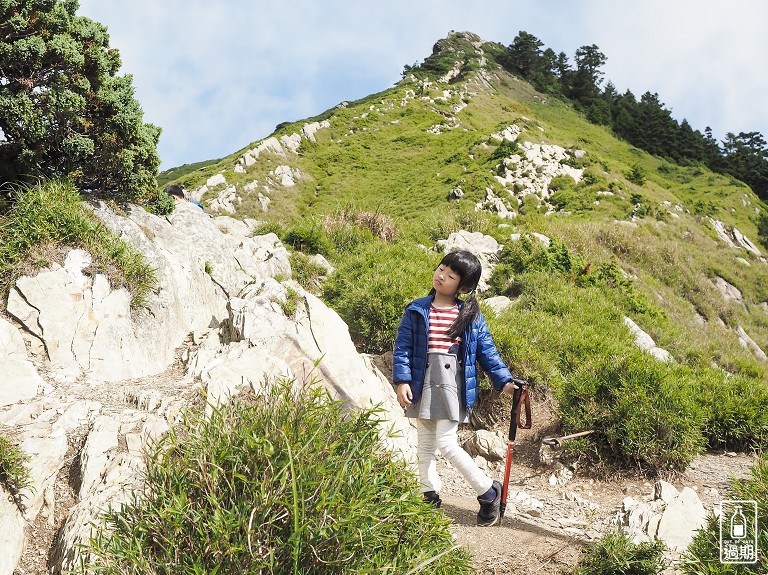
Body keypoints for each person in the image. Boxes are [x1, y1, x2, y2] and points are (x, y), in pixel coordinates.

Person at [392, 249, 518, 526]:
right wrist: (402, 381)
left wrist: (505, 382)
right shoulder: (417, 309)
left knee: (446, 444)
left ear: (463, 287)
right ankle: (428, 494)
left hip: (451, 385)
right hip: (420, 382)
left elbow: (487, 352)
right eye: (440, 269)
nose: (441, 276)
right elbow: (402, 348)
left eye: (450, 276)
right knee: (424, 444)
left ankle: (488, 492)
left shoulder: (469, 317)